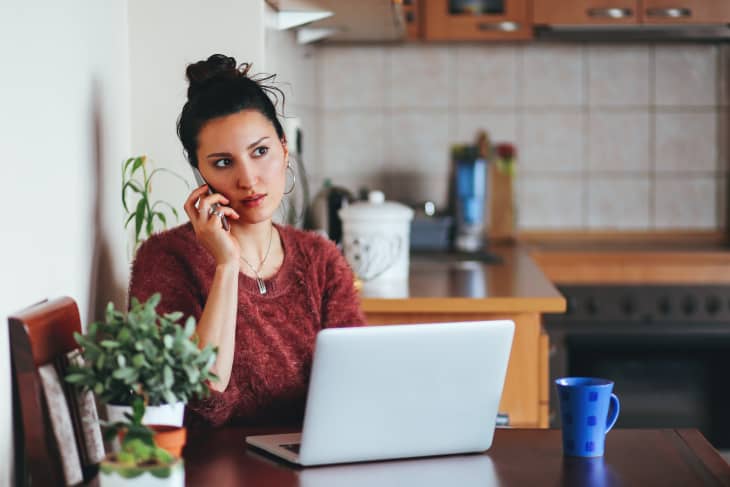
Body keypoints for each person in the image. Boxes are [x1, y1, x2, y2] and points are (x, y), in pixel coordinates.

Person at [129, 54, 365, 428]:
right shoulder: (165, 259)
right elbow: (200, 398)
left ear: (284, 149)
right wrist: (225, 265)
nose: (249, 180)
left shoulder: (321, 259)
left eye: (260, 152)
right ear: (200, 173)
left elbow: (357, 386)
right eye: (223, 162)